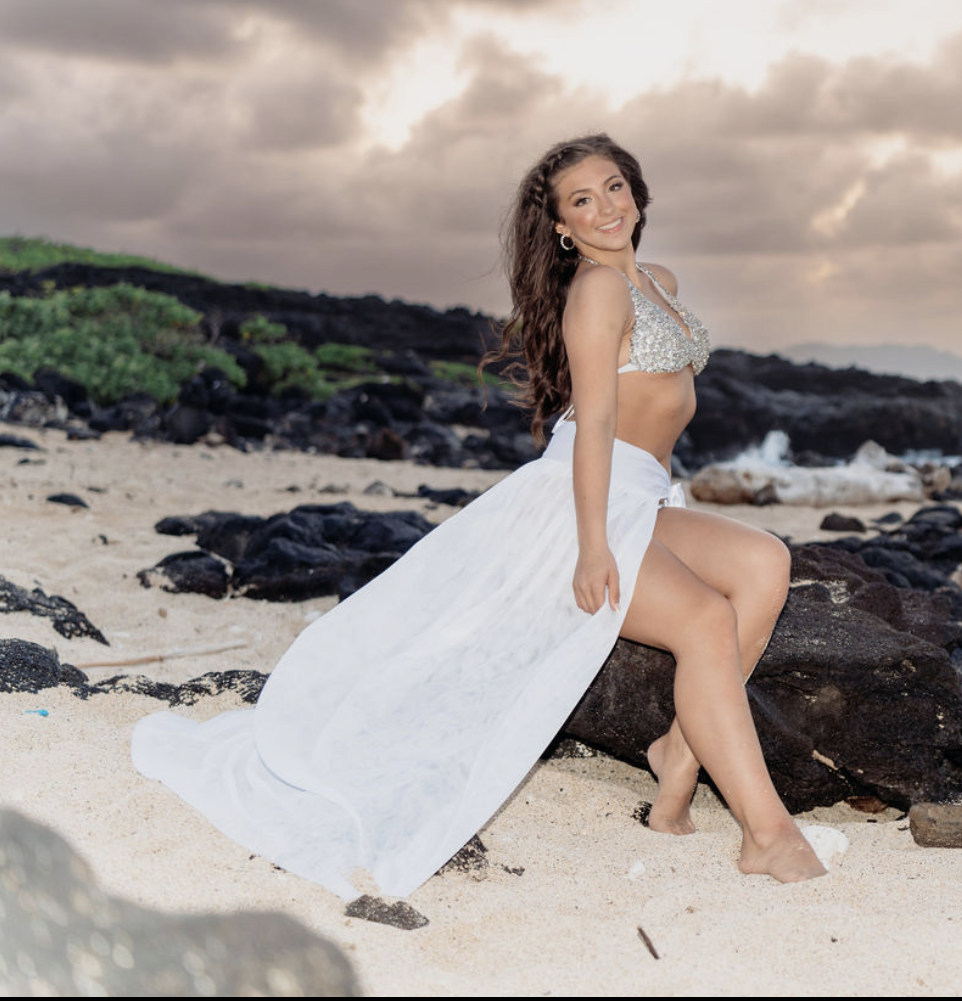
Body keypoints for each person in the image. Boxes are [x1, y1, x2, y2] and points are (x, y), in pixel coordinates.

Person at [131, 134, 825, 897]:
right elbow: (593, 422)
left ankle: (676, 768)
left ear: (637, 193)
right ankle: (768, 834)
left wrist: (661, 500)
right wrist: (592, 547)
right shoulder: (596, 290)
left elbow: (654, 415)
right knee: (702, 622)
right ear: (561, 228)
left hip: (645, 493)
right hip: (578, 497)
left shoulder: (658, 278)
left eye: (614, 187)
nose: (604, 209)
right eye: (581, 202)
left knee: (766, 565)